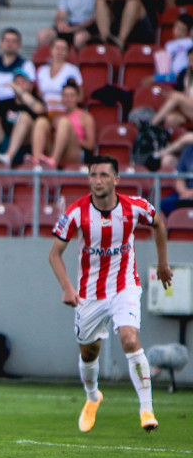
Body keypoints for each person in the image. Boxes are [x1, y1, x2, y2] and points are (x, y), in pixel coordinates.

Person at [49, 155, 172, 433]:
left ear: (116, 179)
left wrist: (163, 264)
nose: (98, 180)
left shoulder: (134, 207)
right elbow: (54, 254)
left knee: (130, 339)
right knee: (89, 352)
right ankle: (93, 396)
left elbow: (159, 223)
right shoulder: (76, 212)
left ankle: (146, 410)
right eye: (93, 175)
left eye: (104, 175)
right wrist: (67, 287)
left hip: (124, 286)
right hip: (89, 294)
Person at [0, 67, 46, 166]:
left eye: (23, 82)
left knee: (24, 116)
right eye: (16, 82)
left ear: (31, 86)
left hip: (25, 149)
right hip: (4, 142)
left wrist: (19, 90)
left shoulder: (35, 101)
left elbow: (39, 109)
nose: (19, 85)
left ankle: (8, 157)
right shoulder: (7, 102)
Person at [30, 79, 94, 169]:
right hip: (57, 149)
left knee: (64, 122)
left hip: (74, 152)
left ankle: (53, 161)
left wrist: (69, 137)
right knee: (41, 121)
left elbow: (90, 145)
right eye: (65, 96)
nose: (68, 99)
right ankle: (36, 161)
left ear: (77, 97)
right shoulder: (57, 116)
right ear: (62, 98)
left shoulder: (85, 117)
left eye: (71, 96)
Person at [34, 37, 83, 116]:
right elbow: (39, 94)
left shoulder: (73, 70)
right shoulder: (42, 70)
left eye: (63, 49)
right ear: (51, 50)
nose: (60, 51)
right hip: (43, 110)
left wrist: (60, 102)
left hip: (63, 110)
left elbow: (80, 96)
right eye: (57, 48)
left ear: (67, 52)